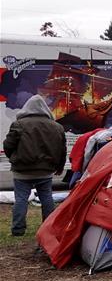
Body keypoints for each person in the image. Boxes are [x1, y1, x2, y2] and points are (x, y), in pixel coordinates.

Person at [3, 94, 66, 236]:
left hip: (22, 171)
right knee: (47, 198)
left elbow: (8, 145)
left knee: (21, 199)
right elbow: (62, 150)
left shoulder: (19, 124)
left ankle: (18, 230)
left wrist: (13, 158)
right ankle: (48, 229)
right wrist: (60, 166)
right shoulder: (57, 126)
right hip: (46, 171)